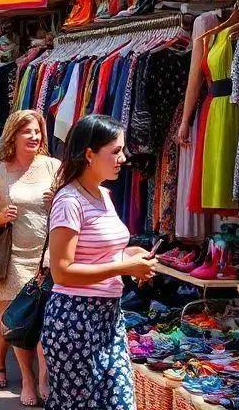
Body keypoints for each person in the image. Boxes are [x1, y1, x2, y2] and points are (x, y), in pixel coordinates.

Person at [43, 115, 154, 410]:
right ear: (90, 154)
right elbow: (62, 272)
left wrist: (130, 256)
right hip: (75, 319)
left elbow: (100, 253)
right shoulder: (69, 201)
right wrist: (123, 268)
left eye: (122, 150)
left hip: (108, 316)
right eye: (115, 151)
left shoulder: (104, 194)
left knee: (119, 402)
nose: (124, 158)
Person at [0, 110, 59, 403]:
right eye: (27, 132)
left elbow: (73, 207)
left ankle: (45, 378)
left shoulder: (54, 167)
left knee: (47, 321)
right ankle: (27, 377)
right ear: (13, 135)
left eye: (38, 131)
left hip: (48, 257)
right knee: (17, 320)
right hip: (11, 258)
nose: (34, 137)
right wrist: (0, 216)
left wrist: (57, 198)